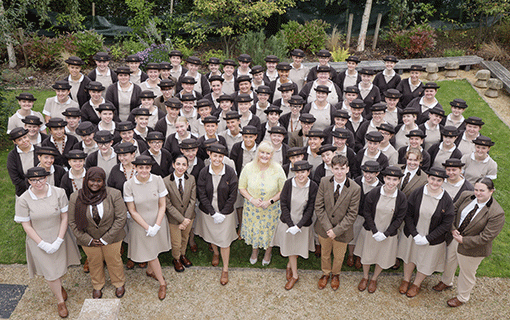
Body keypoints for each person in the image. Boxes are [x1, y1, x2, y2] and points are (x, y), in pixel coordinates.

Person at [14, 167, 81, 318]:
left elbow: (65, 216)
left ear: (47, 178)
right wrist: (42, 244)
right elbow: (26, 225)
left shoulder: (59, 192)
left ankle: (59, 286)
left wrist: (59, 239)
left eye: (41, 179)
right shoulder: (23, 199)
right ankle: (60, 301)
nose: (38, 183)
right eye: (33, 180)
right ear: (29, 181)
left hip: (60, 235)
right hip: (38, 240)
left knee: (60, 267)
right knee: (51, 273)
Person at [433, 178, 505, 308]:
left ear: (491, 191)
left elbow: (486, 237)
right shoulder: (466, 195)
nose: (477, 193)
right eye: (476, 189)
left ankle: (462, 297)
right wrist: (453, 228)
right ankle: (446, 282)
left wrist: (463, 240)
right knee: (449, 260)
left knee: (467, 273)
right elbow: (453, 211)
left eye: (482, 190)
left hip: (474, 248)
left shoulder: (497, 213)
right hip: (455, 237)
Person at [68, 167, 127, 299]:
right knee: (94, 262)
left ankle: (118, 283)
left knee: (114, 260)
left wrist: (106, 238)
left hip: (112, 237)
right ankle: (97, 285)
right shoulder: (75, 197)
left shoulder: (114, 194)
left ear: (103, 181)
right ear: (86, 180)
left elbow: (121, 218)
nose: (95, 183)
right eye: (92, 180)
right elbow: (72, 221)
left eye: (99, 181)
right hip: (88, 238)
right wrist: (87, 239)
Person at [397, 167, 454, 297]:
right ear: (428, 178)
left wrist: (428, 238)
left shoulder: (446, 200)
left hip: (432, 239)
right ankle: (406, 280)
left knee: (426, 261)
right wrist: (415, 234)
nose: (435, 182)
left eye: (439, 180)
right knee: (409, 257)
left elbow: (446, 224)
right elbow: (408, 214)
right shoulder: (417, 193)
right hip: (413, 234)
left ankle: (416, 284)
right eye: (432, 179)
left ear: (443, 182)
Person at [123, 155, 171, 300]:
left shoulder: (157, 180)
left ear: (151, 168)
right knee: (151, 254)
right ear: (135, 168)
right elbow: (132, 210)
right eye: (141, 167)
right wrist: (148, 228)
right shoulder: (128, 185)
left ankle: (151, 271)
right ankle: (162, 283)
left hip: (158, 221)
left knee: (154, 250)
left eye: (147, 167)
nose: (144, 170)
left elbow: (162, 205)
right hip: (141, 225)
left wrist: (157, 225)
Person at [354, 166, 407, 293]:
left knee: (382, 256)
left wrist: (386, 233)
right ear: (383, 178)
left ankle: (374, 278)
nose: (391, 182)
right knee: (367, 255)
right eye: (388, 178)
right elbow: (367, 213)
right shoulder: (374, 193)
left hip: (388, 234)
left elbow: (399, 218)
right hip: (371, 231)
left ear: (399, 181)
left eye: (395, 179)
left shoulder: (401, 197)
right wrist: (375, 231)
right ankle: (365, 277)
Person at [314, 155, 361, 290]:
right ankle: (326, 273)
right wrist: (329, 228)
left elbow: (352, 214)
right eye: (336, 168)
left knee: (339, 256)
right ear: (331, 169)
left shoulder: (355, 188)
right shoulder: (324, 182)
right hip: (324, 228)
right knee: (325, 253)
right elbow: (319, 206)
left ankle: (336, 274)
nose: (339, 172)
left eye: (342, 168)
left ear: (347, 169)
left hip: (342, 230)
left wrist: (336, 231)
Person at [195, 144, 238, 285]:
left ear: (223, 157)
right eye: (215, 155)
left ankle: (225, 269)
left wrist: (223, 212)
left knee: (225, 241)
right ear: (210, 155)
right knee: (212, 235)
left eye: (220, 156)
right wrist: (213, 213)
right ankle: (215, 253)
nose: (217, 159)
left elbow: (233, 194)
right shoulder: (203, 172)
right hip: (208, 211)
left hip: (226, 212)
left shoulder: (230, 172)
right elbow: (201, 193)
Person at [272, 160, 318, 290]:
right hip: (288, 222)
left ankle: (290, 266)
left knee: (297, 247)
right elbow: (284, 204)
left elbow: (310, 208)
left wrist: (298, 226)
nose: (300, 175)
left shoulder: (313, 186)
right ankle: (295, 275)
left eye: (303, 172)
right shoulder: (288, 184)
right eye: (297, 172)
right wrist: (291, 225)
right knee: (291, 249)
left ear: (308, 172)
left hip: (303, 224)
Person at [239, 141, 286, 265]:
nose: (265, 156)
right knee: (255, 228)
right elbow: (241, 187)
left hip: (271, 208)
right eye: (262, 152)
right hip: (252, 208)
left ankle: (267, 252)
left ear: (272, 155)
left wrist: (270, 201)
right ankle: (254, 251)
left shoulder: (277, 169)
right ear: (257, 153)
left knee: (269, 230)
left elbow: (283, 190)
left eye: (268, 153)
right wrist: (251, 199)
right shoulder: (248, 167)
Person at [163, 155, 197, 273]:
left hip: (188, 216)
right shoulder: (166, 181)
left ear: (187, 166)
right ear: (173, 165)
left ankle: (183, 255)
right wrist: (181, 219)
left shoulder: (191, 179)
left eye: (184, 164)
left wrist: (186, 219)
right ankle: (176, 258)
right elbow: (167, 204)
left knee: (185, 237)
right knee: (176, 241)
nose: (181, 167)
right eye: (178, 164)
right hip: (174, 218)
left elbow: (193, 200)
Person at [347, 161, 382, 269]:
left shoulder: (380, 187)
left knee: (363, 238)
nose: (368, 175)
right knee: (353, 236)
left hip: (370, 218)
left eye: (371, 173)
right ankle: (350, 255)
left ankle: (359, 257)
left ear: (377, 173)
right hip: (356, 215)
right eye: (366, 172)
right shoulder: (357, 181)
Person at [7, 128, 39, 197]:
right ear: (14, 142)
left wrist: (38, 185)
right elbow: (15, 178)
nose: (24, 141)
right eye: (19, 140)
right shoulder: (12, 156)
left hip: (41, 188)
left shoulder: (39, 150)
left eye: (25, 137)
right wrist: (31, 187)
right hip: (23, 191)